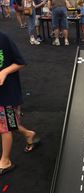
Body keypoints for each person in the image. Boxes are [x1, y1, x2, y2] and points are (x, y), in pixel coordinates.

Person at [0, 31, 40, 175]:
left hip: (7, 95)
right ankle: (28, 134)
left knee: (5, 127)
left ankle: (5, 161)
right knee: (8, 123)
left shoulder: (3, 39)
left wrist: (4, 72)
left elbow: (20, 62)